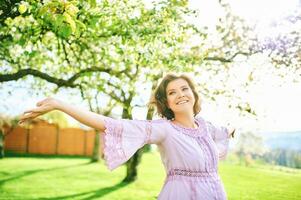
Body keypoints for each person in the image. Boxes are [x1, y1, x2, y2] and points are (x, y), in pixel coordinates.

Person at [19, 73, 235, 200]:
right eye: (172, 92)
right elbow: (110, 124)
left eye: (184, 89)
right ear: (166, 103)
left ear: (194, 94)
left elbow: (226, 131)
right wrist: (61, 105)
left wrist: (233, 129)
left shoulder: (206, 126)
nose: (180, 94)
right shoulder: (164, 129)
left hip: (215, 192)